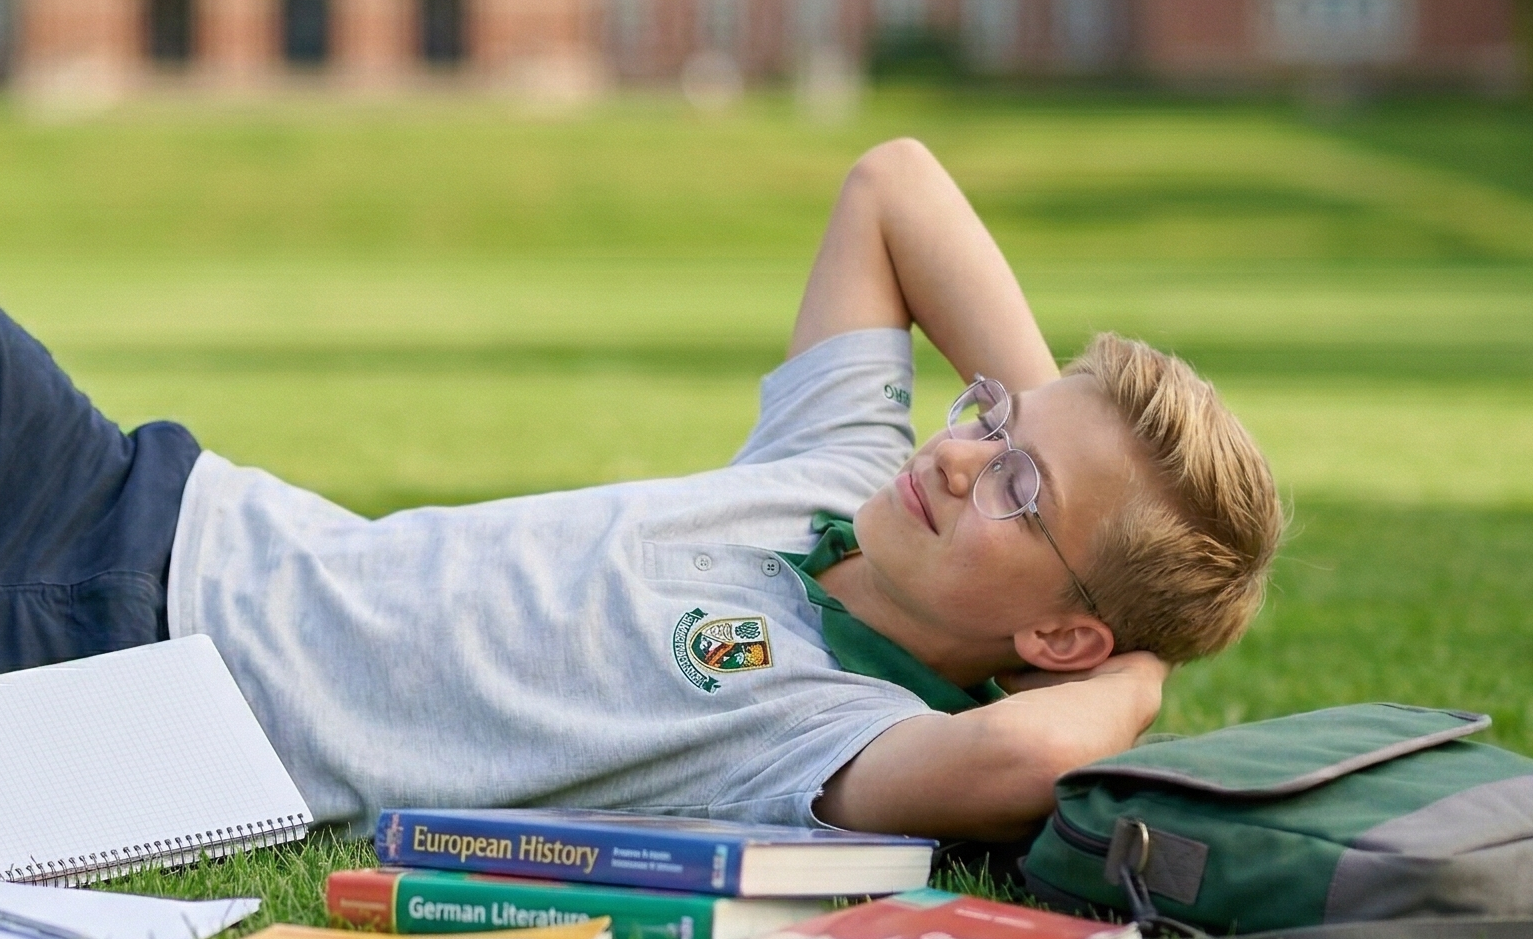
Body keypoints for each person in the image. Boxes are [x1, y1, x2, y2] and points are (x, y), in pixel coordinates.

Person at [0, 139, 1282, 841]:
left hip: (130, 680)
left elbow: (1014, 755)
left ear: (1063, 637)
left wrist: (1127, 665)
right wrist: (1041, 445)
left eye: (1016, 485)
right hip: (151, 500)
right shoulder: (841, 472)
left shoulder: (837, 729)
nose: (957, 456)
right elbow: (894, 184)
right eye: (985, 419)